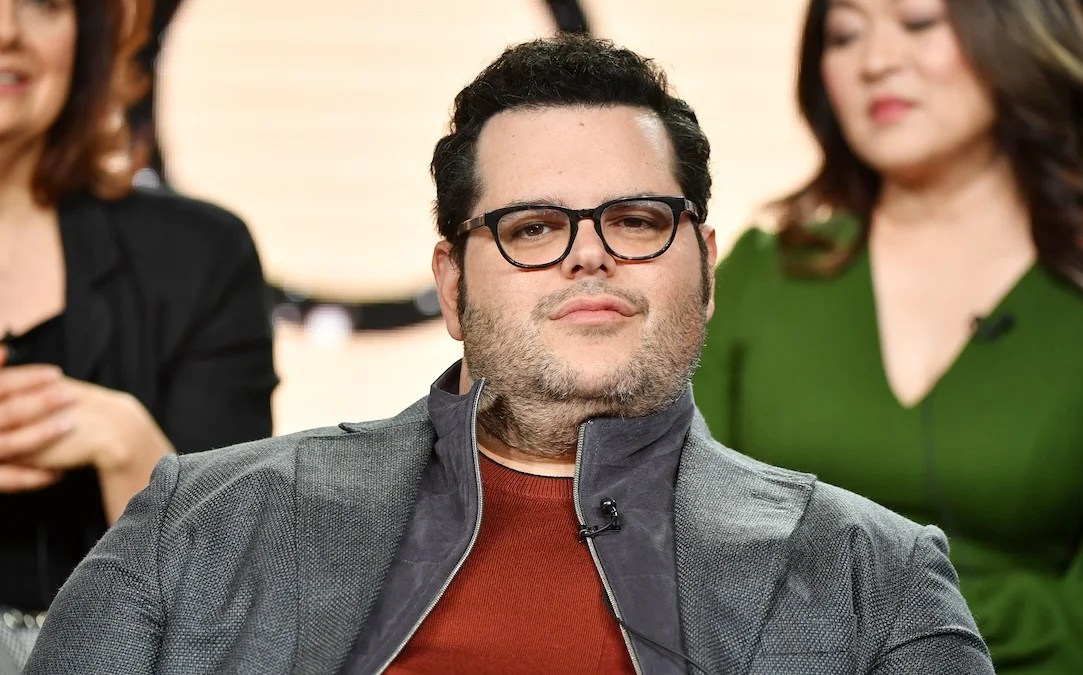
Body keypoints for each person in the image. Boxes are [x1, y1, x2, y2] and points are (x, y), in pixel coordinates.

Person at [24, 35, 992, 674]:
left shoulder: (877, 577)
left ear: (702, 265)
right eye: (532, 227)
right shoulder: (196, 520)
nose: (589, 251)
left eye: (637, 218)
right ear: (452, 285)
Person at [692, 0, 1083, 672]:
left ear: (1015, 34)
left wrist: (839, 600)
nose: (875, 62)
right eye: (844, 35)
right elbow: (689, 566)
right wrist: (991, 606)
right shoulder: (759, 275)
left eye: (918, 22)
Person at [0, 1, 276, 671]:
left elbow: (240, 606)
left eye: (42, 2)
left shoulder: (201, 254)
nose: (6, 30)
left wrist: (128, 445)